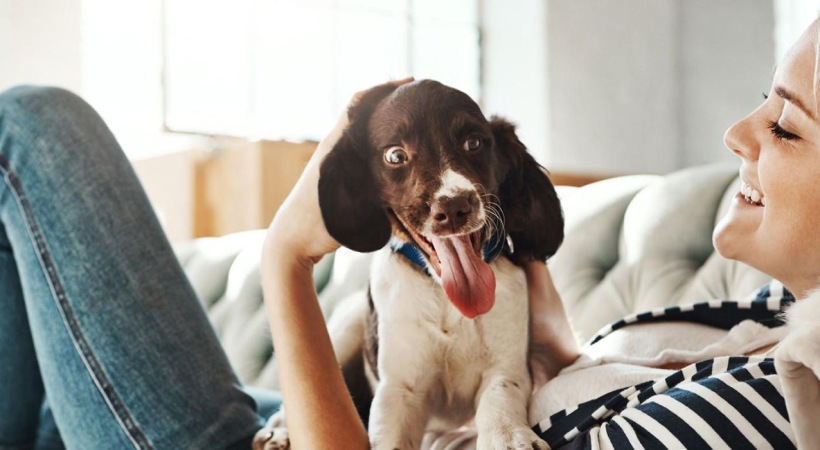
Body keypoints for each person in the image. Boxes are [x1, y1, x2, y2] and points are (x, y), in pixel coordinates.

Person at [0, 17, 817, 450]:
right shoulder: (764, 312)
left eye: (787, 127)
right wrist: (550, 340)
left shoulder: (783, 401)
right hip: (295, 413)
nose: (738, 133)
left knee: (32, 126)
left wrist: (288, 255)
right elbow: (563, 369)